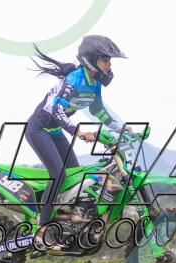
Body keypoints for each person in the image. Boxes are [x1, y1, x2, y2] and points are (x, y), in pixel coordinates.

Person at [26, 35, 129, 248]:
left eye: (109, 61)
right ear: (91, 60)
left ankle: (66, 223)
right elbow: (57, 110)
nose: (109, 65)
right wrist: (78, 132)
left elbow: (98, 111)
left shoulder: (94, 83)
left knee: (76, 176)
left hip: (54, 130)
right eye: (105, 60)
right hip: (38, 129)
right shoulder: (75, 79)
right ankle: (42, 228)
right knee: (58, 173)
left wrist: (124, 129)